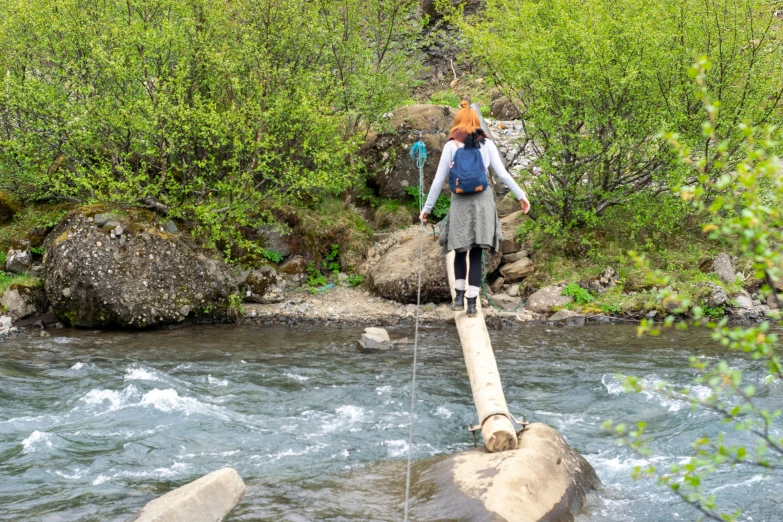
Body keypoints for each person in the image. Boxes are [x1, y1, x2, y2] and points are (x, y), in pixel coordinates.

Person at [419, 101, 530, 316]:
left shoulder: (451, 146)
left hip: (459, 202)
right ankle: (472, 302)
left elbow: (438, 180)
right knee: (477, 251)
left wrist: (427, 209)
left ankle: (458, 298)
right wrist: (521, 196)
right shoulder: (486, 144)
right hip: (482, 202)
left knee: (460, 249)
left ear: (458, 122)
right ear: (476, 122)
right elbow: (502, 174)